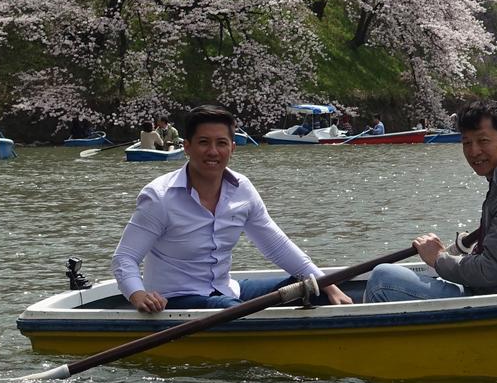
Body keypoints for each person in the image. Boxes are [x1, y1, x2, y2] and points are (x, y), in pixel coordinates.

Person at [114, 105, 351, 311]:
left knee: (308, 289)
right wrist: (138, 295)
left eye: (221, 143)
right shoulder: (159, 197)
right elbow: (125, 257)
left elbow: (277, 245)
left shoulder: (242, 189)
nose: (213, 152)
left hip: (227, 291)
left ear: (232, 148)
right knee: (233, 310)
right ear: (186, 147)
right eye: (204, 142)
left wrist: (325, 284)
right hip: (174, 300)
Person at [363, 99, 497, 302]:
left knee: (382, 279)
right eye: (466, 142)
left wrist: (438, 259)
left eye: (483, 141)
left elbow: (489, 272)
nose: (473, 151)